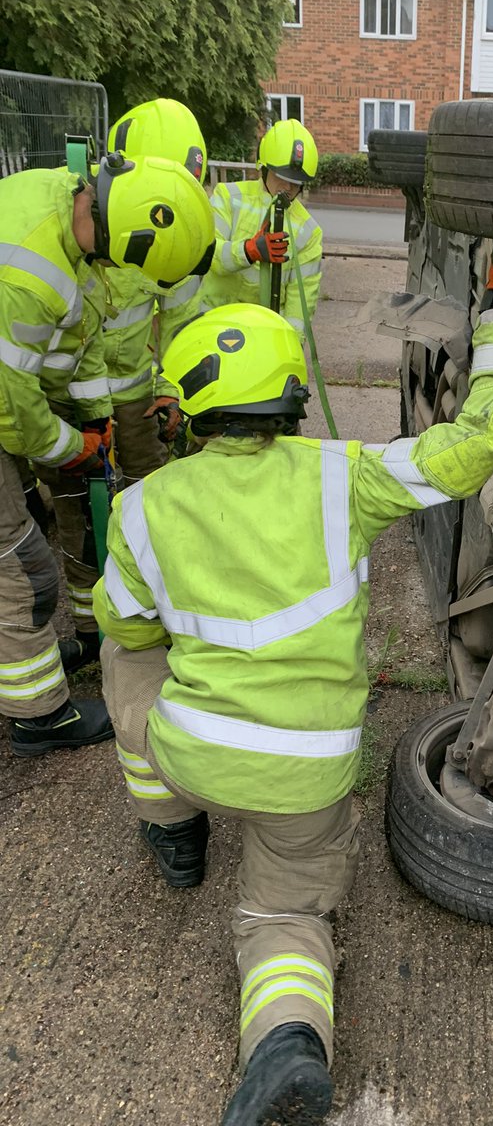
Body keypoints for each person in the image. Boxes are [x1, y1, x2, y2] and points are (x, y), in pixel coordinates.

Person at [92, 241, 493, 1126]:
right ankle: (287, 1041)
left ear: (187, 409)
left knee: (124, 658)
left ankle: (173, 835)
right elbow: (481, 438)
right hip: (305, 777)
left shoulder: (144, 507)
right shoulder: (347, 478)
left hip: (191, 755)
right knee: (284, 916)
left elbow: (127, 627)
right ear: (293, 393)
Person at [0, 152, 214, 757]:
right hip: (10, 405)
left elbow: (74, 346)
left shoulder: (59, 207)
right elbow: (18, 416)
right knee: (21, 563)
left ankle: (38, 657)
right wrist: (77, 448)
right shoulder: (32, 278)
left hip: (26, 398)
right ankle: (39, 715)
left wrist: (94, 424)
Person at [99, 98, 209, 492]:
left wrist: (170, 391)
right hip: (67, 388)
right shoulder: (81, 210)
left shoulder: (181, 229)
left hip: (132, 390)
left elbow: (181, 325)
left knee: (146, 481)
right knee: (78, 489)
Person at [201, 118, 323, 338]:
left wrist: (288, 351)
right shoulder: (228, 198)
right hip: (213, 325)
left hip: (264, 338)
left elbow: (299, 308)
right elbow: (208, 257)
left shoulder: (308, 232)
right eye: (281, 178)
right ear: (264, 169)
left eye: (295, 183)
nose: (287, 188)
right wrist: (247, 251)